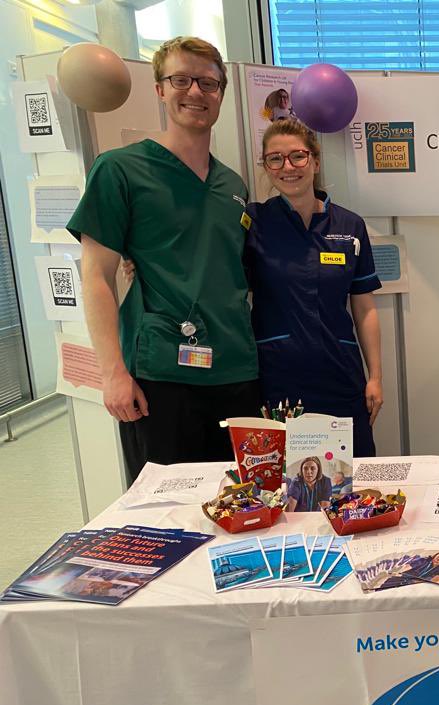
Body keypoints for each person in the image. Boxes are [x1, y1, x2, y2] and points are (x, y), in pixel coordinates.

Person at [68, 37, 259, 484]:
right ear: (159, 89)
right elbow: (96, 275)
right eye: (181, 79)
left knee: (246, 505)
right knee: (165, 513)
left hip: (236, 372)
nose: (195, 92)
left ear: (222, 94)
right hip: (162, 377)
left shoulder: (232, 186)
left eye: (208, 83)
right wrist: (113, 373)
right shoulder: (119, 171)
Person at [245, 119, 383, 457]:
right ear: (265, 166)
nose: (287, 167)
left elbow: (364, 308)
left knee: (351, 479)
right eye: (275, 158)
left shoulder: (350, 226)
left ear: (315, 162)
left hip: (340, 375)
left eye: (297, 156)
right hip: (278, 379)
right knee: (287, 485)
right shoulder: (252, 223)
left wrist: (375, 376)